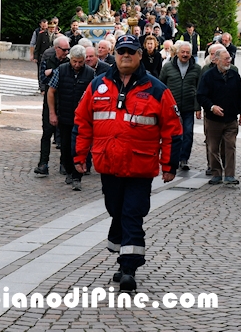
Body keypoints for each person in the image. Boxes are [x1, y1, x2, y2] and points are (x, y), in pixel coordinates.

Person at [73, 35, 182, 292]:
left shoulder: (157, 90)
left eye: (131, 52)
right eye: (121, 51)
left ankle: (129, 268)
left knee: (132, 214)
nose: (125, 56)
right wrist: (79, 157)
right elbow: (82, 123)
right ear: (115, 54)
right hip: (108, 164)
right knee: (116, 210)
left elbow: (173, 130)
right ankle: (123, 254)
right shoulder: (97, 85)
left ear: (139, 55)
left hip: (139, 167)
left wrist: (169, 165)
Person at [47, 45, 95, 191]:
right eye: (74, 61)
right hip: (65, 115)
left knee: (79, 148)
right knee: (66, 147)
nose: (77, 65)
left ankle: (76, 176)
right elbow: (51, 92)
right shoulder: (61, 70)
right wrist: (52, 113)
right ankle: (69, 170)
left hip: (83, 118)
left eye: (80, 62)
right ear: (70, 59)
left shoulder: (90, 73)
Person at [196, 48, 241, 185]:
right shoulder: (208, 76)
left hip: (230, 118)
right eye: (225, 58)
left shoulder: (234, 75)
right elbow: (201, 96)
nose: (228, 61)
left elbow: (240, 95)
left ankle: (230, 174)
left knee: (230, 146)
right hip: (213, 119)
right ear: (216, 60)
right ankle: (216, 173)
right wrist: (212, 107)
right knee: (213, 147)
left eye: (229, 58)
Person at [159, 40, 201, 171]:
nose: (185, 54)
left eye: (187, 52)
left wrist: (198, 107)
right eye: (182, 52)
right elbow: (161, 85)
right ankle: (173, 158)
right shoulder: (168, 67)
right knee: (173, 134)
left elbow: (199, 89)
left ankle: (184, 159)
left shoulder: (197, 68)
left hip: (189, 106)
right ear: (177, 53)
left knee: (188, 133)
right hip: (172, 107)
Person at [34, 36, 71, 176]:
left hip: (65, 100)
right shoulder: (48, 59)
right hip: (50, 101)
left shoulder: (69, 62)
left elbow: (67, 78)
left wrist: (53, 72)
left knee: (64, 135)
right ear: (57, 49)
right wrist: (57, 73)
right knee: (47, 133)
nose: (67, 52)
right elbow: (43, 78)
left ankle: (64, 164)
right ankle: (43, 163)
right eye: (64, 49)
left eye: (68, 49)